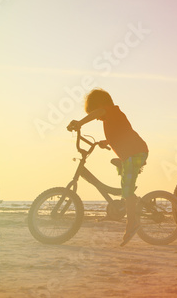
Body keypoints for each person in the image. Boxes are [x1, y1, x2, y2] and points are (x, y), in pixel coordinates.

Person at [67, 89, 148, 246]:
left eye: (95, 114)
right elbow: (120, 133)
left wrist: (79, 123)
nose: (97, 118)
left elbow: (100, 112)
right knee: (125, 187)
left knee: (127, 189)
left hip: (135, 152)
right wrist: (106, 142)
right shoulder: (111, 118)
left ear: (100, 105)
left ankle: (132, 224)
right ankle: (128, 202)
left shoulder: (111, 111)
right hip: (129, 154)